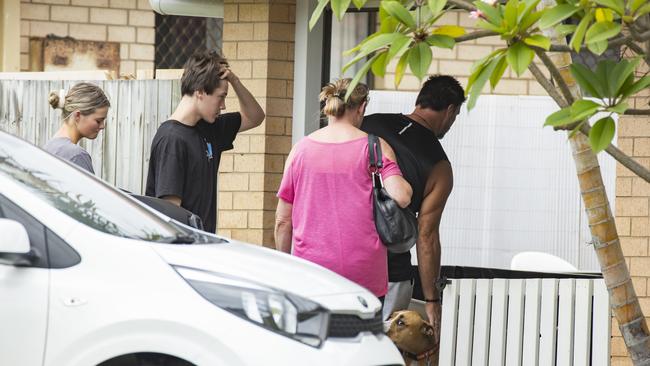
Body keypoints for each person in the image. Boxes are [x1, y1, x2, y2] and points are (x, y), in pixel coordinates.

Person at [274, 79, 412, 300]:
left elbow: (282, 221)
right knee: (362, 334)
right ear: (362, 107)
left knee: (316, 334)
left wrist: (285, 266)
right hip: (364, 275)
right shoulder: (374, 147)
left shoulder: (300, 150)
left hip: (311, 274)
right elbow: (402, 197)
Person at [361, 75, 465, 331]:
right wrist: (432, 299)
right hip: (390, 273)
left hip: (340, 259)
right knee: (385, 349)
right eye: (455, 116)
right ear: (450, 110)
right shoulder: (440, 167)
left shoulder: (368, 124)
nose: (451, 123)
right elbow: (426, 236)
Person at [145, 50, 265, 233]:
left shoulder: (210, 128)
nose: (223, 106)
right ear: (200, 92)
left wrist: (235, 81)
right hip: (184, 248)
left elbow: (255, 117)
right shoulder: (171, 139)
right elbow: (170, 212)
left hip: (204, 244)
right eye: (221, 96)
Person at [44, 82, 111, 174]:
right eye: (98, 121)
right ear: (77, 116)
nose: (102, 126)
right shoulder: (76, 156)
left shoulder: (50, 146)